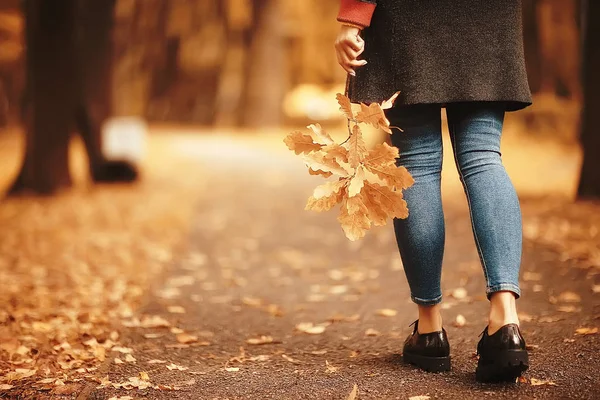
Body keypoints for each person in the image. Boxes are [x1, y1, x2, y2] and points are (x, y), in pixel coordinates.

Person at [335, 0, 530, 382]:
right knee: (484, 156)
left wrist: (352, 16)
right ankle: (505, 322)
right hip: (489, 14)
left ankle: (429, 331)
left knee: (418, 163)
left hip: (409, 15)